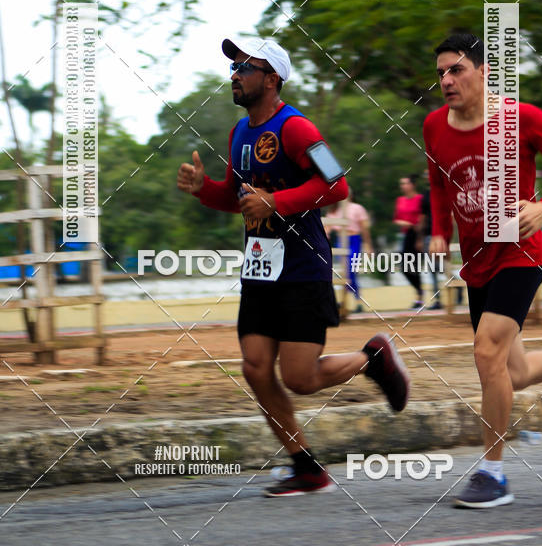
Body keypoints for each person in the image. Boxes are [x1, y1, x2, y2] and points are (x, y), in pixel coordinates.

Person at [177, 35, 410, 497]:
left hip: (303, 266)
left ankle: (372, 359)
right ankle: (306, 467)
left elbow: (338, 186)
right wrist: (205, 187)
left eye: (245, 67)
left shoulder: (297, 128)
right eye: (234, 68)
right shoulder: (238, 132)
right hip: (260, 269)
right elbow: (241, 199)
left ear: (272, 78)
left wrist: (277, 202)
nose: (235, 75)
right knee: (254, 368)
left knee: (299, 379)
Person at [424, 31, 542, 508]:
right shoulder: (434, 125)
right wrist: (439, 230)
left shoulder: (522, 119)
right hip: (477, 262)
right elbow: (438, 181)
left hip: (521, 254)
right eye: (440, 73)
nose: (447, 80)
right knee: (511, 372)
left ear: (483, 72)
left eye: (456, 69)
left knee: (485, 354)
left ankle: (493, 475)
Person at [322, 188, 374, 313]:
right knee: (344, 272)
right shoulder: (335, 210)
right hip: (341, 240)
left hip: (354, 240)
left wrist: (368, 245)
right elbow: (327, 227)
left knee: (351, 270)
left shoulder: (357, 208)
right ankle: (347, 301)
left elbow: (364, 228)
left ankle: (357, 300)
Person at [393, 175, 424, 308]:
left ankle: (420, 298)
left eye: (405, 183)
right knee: (406, 268)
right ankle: (419, 292)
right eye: (401, 184)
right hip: (406, 235)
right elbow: (396, 219)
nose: (402, 186)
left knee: (428, 265)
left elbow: (423, 218)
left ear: (412, 185)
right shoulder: (400, 200)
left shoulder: (420, 199)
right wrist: (406, 223)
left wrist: (420, 238)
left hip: (419, 234)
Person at [417, 170, 443, 309]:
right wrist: (420, 238)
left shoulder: (443, 192)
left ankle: (456, 286)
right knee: (433, 269)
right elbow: (422, 218)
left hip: (440, 235)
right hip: (428, 235)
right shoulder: (426, 196)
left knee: (441, 267)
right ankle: (437, 299)